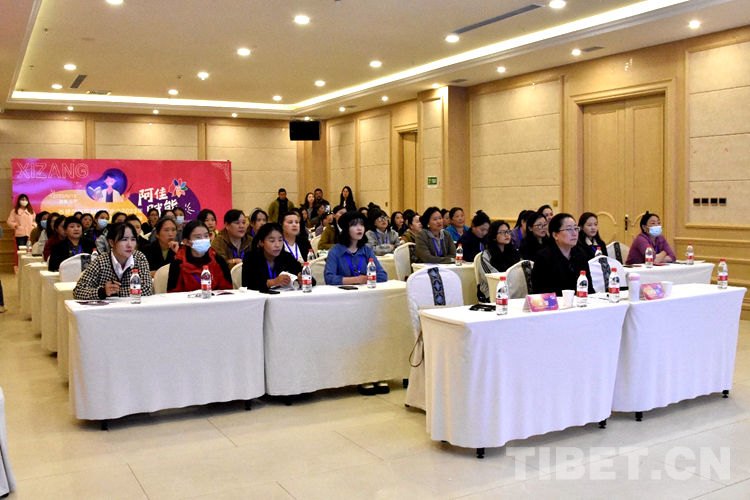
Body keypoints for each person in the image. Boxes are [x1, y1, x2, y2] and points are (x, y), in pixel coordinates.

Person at [73, 222, 153, 300]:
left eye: (133, 239)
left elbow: (147, 289)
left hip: (133, 306)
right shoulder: (101, 261)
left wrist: (115, 293)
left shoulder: (139, 258)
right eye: (124, 239)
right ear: (111, 243)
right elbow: (78, 291)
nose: (130, 245)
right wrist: (103, 292)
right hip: (106, 308)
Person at [531, 213, 592, 296]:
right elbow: (541, 292)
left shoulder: (580, 254)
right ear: (555, 235)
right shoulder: (544, 257)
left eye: (576, 228)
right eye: (569, 229)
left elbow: (589, 288)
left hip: (579, 301)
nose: (574, 233)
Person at [242, 222, 314, 292]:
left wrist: (303, 280)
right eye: (272, 241)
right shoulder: (250, 257)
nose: (277, 245)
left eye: (280, 240)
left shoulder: (286, 257)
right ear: (261, 242)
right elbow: (247, 284)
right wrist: (272, 282)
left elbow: (312, 280)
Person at [167, 220, 233, 292]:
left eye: (206, 236)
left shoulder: (218, 259)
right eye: (198, 237)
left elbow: (227, 289)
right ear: (186, 241)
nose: (203, 240)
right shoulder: (178, 263)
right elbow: (173, 294)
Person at [324, 211, 387, 285]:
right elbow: (329, 278)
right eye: (354, 225)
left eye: (362, 225)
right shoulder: (335, 251)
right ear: (346, 229)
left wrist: (364, 279)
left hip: (365, 291)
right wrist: (356, 280)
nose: (359, 228)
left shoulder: (366, 250)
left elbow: (382, 276)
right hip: (342, 291)